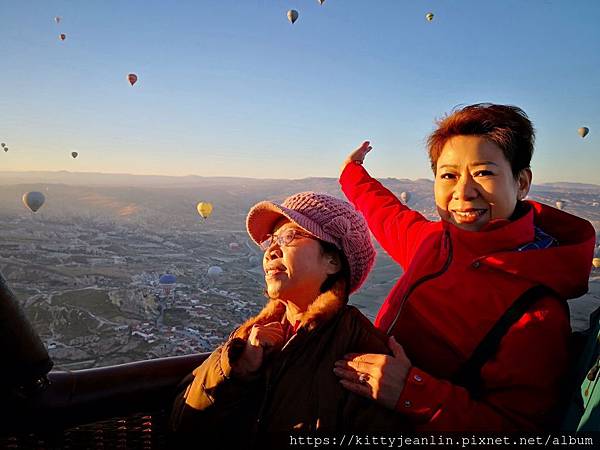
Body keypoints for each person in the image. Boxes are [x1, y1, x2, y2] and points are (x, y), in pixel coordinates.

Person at [334, 103, 596, 431]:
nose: (463, 191)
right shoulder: (431, 241)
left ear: (522, 182)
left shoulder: (537, 311)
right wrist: (351, 171)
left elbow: (517, 429)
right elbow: (385, 212)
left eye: (484, 172)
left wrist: (411, 392)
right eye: (448, 175)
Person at [169, 192, 407, 440]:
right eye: (270, 240)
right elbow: (182, 423)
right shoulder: (250, 337)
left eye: (288, 237)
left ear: (333, 261)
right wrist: (237, 369)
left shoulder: (365, 353)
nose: (271, 250)